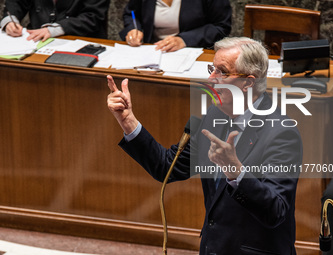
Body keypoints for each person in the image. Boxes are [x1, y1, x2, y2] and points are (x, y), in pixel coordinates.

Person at [107, 37, 302, 254]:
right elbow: (167, 167)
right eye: (212, 69)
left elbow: (276, 210)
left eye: (222, 72)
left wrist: (236, 172)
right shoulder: (214, 116)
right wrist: (128, 122)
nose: (211, 78)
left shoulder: (281, 133)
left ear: (247, 83)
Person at [119, 0, 232, 52]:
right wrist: (133, 29)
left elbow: (221, 26)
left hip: (194, 52)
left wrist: (184, 40)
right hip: (152, 51)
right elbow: (131, 14)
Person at [1, 0, 110, 41]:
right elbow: (15, 3)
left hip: (81, 42)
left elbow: (93, 16)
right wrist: (10, 21)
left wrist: (55, 29)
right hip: (36, 42)